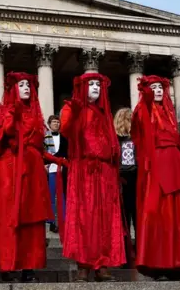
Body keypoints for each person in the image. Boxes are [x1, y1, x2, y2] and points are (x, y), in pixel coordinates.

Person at [0, 72, 62, 283]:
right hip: (10, 167)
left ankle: (28, 267)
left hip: (32, 168)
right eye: (21, 85)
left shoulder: (36, 113)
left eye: (29, 85)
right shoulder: (5, 110)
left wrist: (58, 160)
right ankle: (8, 265)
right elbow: (2, 139)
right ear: (13, 88)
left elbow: (39, 146)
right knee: (10, 218)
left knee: (32, 218)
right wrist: (12, 114)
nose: (26, 88)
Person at [130, 75, 180, 280]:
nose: (158, 90)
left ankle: (179, 262)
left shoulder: (169, 113)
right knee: (159, 215)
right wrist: (146, 96)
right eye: (154, 87)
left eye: (161, 87)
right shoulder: (143, 111)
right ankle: (159, 263)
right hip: (158, 165)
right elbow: (138, 129)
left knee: (179, 215)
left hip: (175, 163)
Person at [60, 73, 124, 282]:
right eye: (91, 84)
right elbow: (66, 130)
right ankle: (84, 265)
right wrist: (75, 111)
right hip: (84, 169)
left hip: (104, 172)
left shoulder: (104, 113)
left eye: (98, 84)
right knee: (84, 217)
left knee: (105, 218)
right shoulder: (73, 107)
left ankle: (102, 264)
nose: (96, 87)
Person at [113, 108, 136, 240]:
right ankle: (128, 252)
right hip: (123, 180)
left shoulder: (137, 138)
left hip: (134, 178)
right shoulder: (116, 140)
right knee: (125, 219)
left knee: (134, 217)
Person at [44, 114, 68, 233]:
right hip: (50, 169)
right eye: (54, 122)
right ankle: (52, 222)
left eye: (57, 122)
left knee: (63, 196)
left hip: (62, 169)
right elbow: (43, 152)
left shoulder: (64, 137)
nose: (56, 124)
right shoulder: (45, 137)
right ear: (49, 124)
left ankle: (64, 221)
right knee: (51, 196)